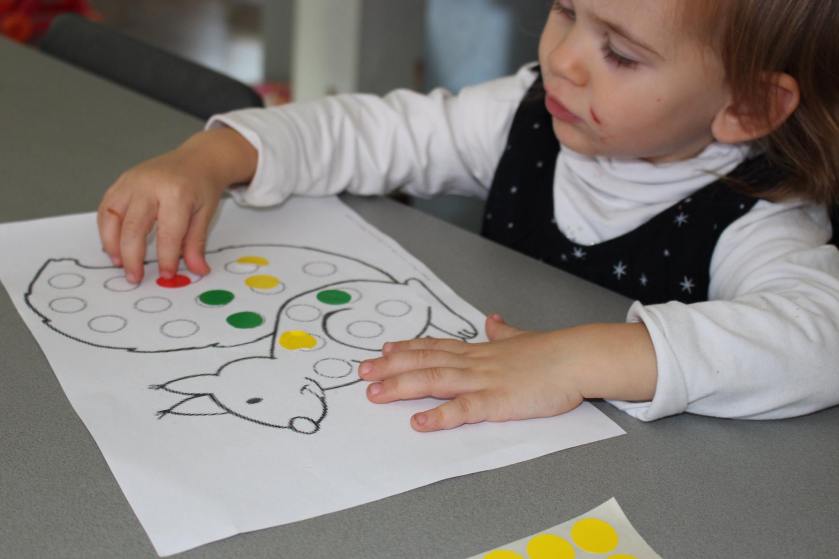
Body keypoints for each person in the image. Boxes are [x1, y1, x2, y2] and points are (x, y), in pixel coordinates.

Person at [97, 0, 839, 432]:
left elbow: (818, 340)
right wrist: (215, 156)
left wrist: (575, 359)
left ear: (746, 106)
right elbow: (376, 132)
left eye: (619, 53)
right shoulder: (528, 114)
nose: (563, 59)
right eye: (565, 10)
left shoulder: (761, 211)